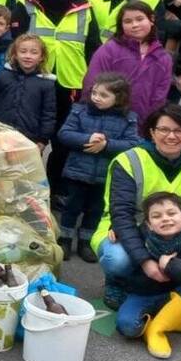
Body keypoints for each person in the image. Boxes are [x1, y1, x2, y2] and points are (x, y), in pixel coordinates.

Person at [91, 104, 181, 313]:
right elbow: (121, 215)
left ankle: (165, 287)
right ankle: (118, 281)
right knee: (118, 260)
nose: (171, 136)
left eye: (180, 130)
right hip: (126, 231)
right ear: (152, 132)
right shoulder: (129, 160)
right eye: (164, 129)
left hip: (177, 236)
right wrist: (146, 262)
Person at [10, 0, 102, 187]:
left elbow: (94, 48)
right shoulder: (25, 4)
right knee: (29, 139)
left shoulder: (84, 7)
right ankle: (24, 187)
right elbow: (14, 43)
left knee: (63, 141)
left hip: (71, 84)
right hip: (34, 82)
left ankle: (54, 190)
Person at [116, 192, 181, 360]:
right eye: (157, 216)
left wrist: (170, 265)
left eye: (172, 213)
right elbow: (124, 231)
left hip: (178, 294)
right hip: (145, 292)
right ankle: (171, 320)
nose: (165, 219)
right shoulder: (141, 237)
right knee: (127, 327)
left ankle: (157, 329)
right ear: (149, 224)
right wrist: (114, 229)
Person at [58, 72, 141, 263]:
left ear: (118, 98)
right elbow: (65, 134)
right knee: (71, 207)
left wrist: (107, 145)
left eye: (104, 95)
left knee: (96, 209)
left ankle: (87, 241)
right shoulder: (79, 111)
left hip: (106, 175)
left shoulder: (128, 118)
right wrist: (87, 139)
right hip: (78, 171)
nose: (96, 98)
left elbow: (132, 143)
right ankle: (64, 239)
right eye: (95, 93)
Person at [84, 1, 173, 124]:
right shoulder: (109, 50)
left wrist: (151, 121)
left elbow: (160, 96)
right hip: (107, 120)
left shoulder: (163, 57)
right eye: (128, 21)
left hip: (142, 123)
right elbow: (92, 82)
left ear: (151, 20)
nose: (134, 25)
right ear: (121, 25)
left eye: (139, 19)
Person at [0, 34, 56, 147]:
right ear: (15, 54)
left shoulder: (46, 83)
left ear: (41, 57)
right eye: (23, 51)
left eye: (34, 52)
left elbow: (48, 114)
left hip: (29, 139)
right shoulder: (4, 76)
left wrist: (43, 140)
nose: (28, 56)